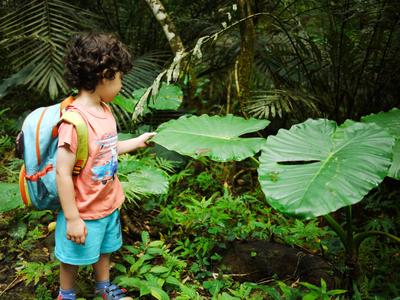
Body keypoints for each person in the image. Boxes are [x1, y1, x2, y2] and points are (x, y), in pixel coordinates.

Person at [55, 32, 155, 300]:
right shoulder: (73, 123)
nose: (121, 83)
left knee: (105, 249)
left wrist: (137, 142)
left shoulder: (104, 110)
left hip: (108, 203)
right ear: (105, 76)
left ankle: (103, 288)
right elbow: (62, 172)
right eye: (120, 77)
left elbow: (107, 150)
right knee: (71, 257)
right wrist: (73, 218)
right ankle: (66, 294)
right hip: (84, 209)